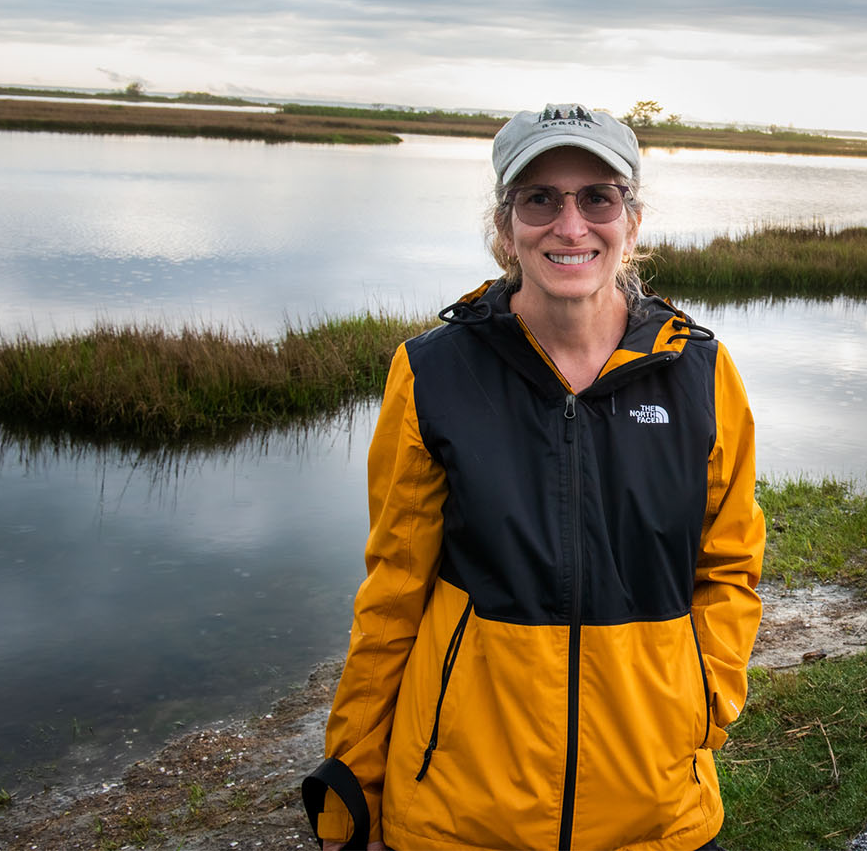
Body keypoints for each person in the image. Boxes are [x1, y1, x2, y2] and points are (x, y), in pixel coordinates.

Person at [304, 104, 765, 851]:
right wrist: (351, 788)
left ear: (632, 220)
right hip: (460, 817)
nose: (571, 225)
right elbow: (392, 596)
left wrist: (702, 704)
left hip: (657, 815)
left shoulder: (703, 375)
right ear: (506, 223)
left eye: (597, 197)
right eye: (540, 198)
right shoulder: (431, 373)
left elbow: (732, 569)